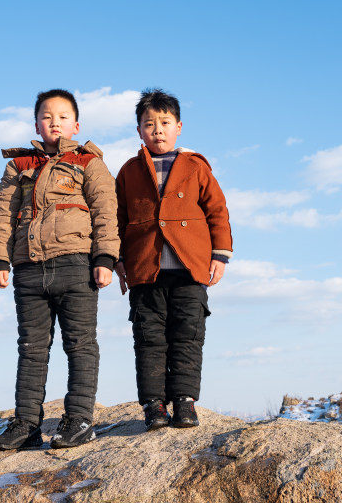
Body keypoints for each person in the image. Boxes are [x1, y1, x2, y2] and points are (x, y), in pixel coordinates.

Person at [0, 89, 119, 449]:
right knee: (31, 347)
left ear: (75, 124)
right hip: (28, 268)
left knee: (80, 345)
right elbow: (2, 213)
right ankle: (27, 424)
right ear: (36, 124)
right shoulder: (18, 165)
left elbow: (106, 211)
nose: (54, 122)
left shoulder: (90, 163)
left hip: (76, 263)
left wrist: (105, 258)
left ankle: (79, 419)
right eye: (47, 116)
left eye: (62, 117)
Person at [114, 88, 233, 431]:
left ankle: (184, 401)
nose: (157, 130)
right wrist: (119, 260)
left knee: (187, 336)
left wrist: (220, 256)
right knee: (149, 338)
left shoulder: (196, 167)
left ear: (179, 126)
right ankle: (153, 405)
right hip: (145, 270)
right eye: (149, 124)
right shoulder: (129, 171)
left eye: (165, 122)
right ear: (139, 131)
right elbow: (117, 219)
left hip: (190, 269)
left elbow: (217, 211)